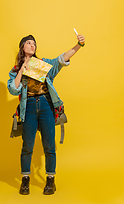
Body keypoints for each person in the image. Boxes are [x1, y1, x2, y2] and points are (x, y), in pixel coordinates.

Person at [7, 33, 85, 195]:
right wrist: (22, 70)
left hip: (45, 104)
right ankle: (25, 180)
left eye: (34, 43)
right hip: (27, 106)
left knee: (49, 145)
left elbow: (61, 60)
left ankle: (50, 180)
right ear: (22, 47)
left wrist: (78, 45)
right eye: (28, 43)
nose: (32, 45)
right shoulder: (15, 70)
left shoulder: (42, 64)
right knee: (27, 145)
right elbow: (14, 89)